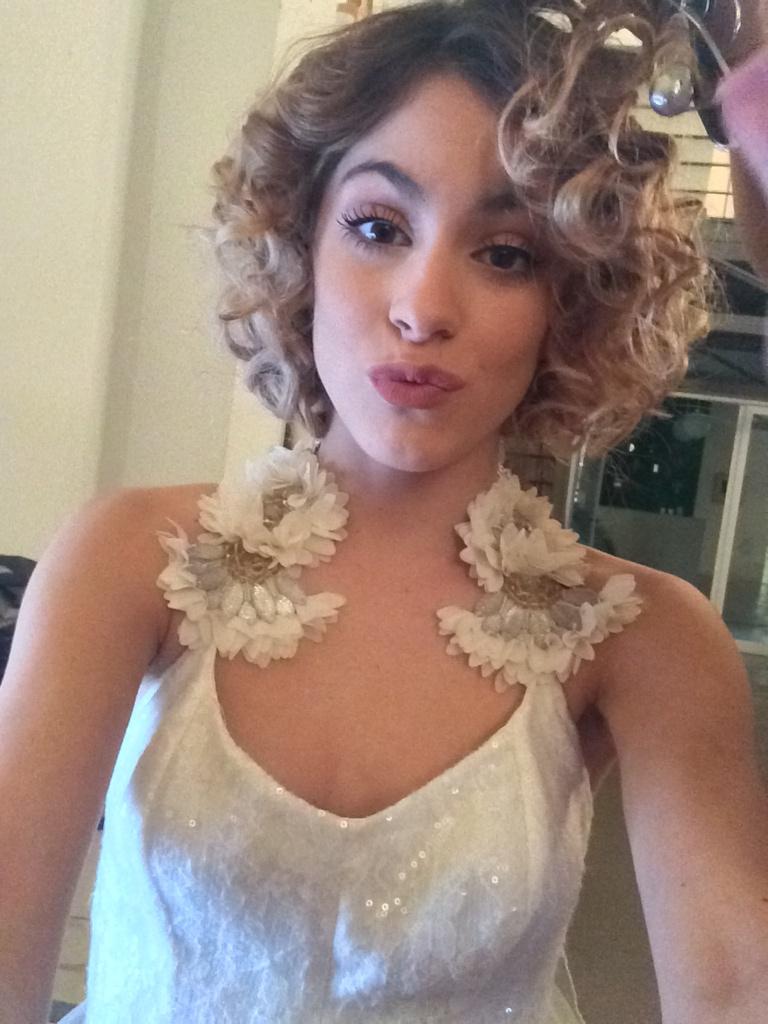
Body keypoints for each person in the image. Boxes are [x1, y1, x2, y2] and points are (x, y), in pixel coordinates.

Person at [1, 1, 767, 1021]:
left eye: (506, 253)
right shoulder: (129, 560)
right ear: (301, 241)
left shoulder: (646, 639)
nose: (422, 308)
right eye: (378, 227)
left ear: (573, 296)